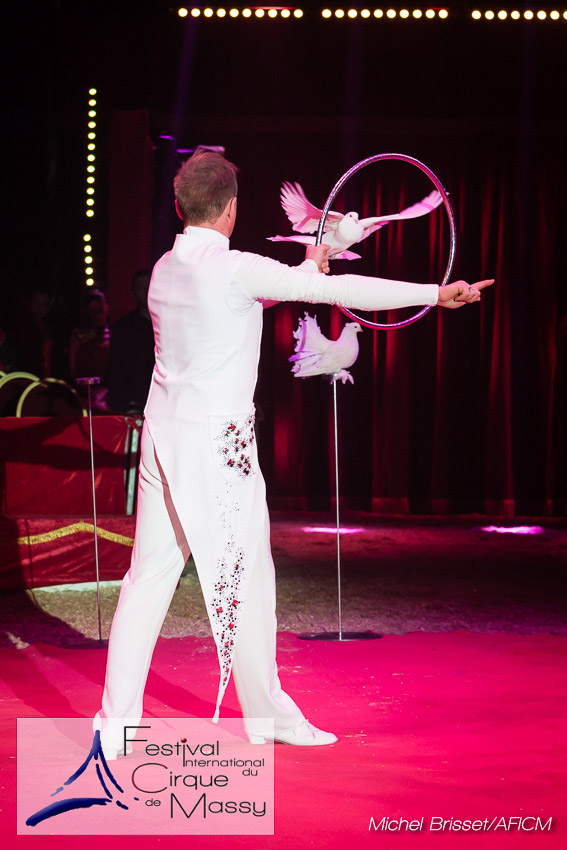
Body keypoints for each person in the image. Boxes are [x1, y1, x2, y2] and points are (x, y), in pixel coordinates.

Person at [94, 150, 493, 756]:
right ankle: (269, 717)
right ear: (232, 209)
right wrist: (434, 295)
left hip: (163, 436)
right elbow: (335, 289)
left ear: (179, 207)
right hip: (217, 445)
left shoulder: (166, 270)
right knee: (249, 581)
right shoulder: (235, 269)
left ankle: (115, 723)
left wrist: (305, 266)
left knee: (147, 579)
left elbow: (242, 301)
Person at [108, 270, 155, 414]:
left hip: (164, 400)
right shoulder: (124, 327)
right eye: (141, 288)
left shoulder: (169, 324)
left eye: (149, 286)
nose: (146, 291)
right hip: (133, 404)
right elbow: (116, 369)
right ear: (134, 293)